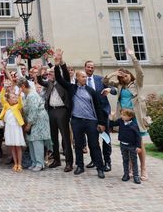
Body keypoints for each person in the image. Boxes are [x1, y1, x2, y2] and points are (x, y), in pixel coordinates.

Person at [53, 49, 107, 179]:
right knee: (77, 145)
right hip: (77, 121)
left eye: (85, 77)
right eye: (83, 76)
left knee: (94, 145)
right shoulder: (72, 88)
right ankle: (80, 166)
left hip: (91, 121)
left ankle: (100, 168)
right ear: (77, 78)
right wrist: (58, 64)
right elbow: (60, 79)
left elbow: (98, 107)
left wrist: (101, 123)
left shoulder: (91, 91)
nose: (85, 78)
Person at [104, 49, 150, 180]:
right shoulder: (119, 86)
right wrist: (114, 73)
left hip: (136, 117)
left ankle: (143, 169)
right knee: (127, 143)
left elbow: (140, 72)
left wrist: (133, 57)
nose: (124, 78)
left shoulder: (137, 84)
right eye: (122, 76)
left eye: (125, 75)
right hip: (124, 118)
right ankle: (130, 167)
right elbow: (105, 82)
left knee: (138, 143)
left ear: (129, 75)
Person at [85, 60, 116, 172]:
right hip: (89, 114)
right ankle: (94, 160)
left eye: (92, 67)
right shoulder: (82, 81)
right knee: (92, 139)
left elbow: (114, 89)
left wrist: (109, 89)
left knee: (105, 138)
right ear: (85, 68)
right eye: (88, 67)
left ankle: (107, 162)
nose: (90, 69)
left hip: (102, 113)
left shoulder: (100, 79)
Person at [40, 67, 73, 172]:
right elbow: (40, 81)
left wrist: (60, 63)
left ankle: (69, 162)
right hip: (51, 111)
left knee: (65, 137)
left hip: (62, 111)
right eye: (48, 73)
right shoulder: (49, 83)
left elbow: (66, 75)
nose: (49, 74)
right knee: (53, 137)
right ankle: (56, 160)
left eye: (51, 72)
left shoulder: (63, 82)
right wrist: (40, 71)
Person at [20, 79, 51, 171]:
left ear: (23, 86)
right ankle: (34, 162)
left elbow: (33, 110)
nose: (20, 90)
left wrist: (29, 124)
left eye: (20, 88)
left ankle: (40, 163)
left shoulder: (32, 95)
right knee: (31, 141)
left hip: (38, 120)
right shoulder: (27, 95)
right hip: (32, 120)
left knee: (37, 141)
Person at [0, 84, 25, 172]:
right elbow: (2, 98)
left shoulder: (17, 106)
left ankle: (20, 164)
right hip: (9, 128)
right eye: (13, 98)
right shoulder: (6, 106)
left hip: (16, 128)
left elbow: (21, 104)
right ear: (9, 99)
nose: (15, 99)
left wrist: (19, 95)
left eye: (15, 98)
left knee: (18, 146)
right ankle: (15, 163)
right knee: (12, 147)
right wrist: (4, 88)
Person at [117, 108, 142, 184]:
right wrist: (111, 117)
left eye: (124, 115)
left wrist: (138, 146)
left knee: (134, 161)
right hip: (123, 145)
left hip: (132, 146)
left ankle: (136, 176)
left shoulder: (134, 125)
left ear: (130, 116)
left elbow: (138, 137)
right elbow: (111, 123)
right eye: (121, 114)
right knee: (125, 160)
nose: (122, 116)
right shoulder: (120, 121)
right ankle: (126, 174)